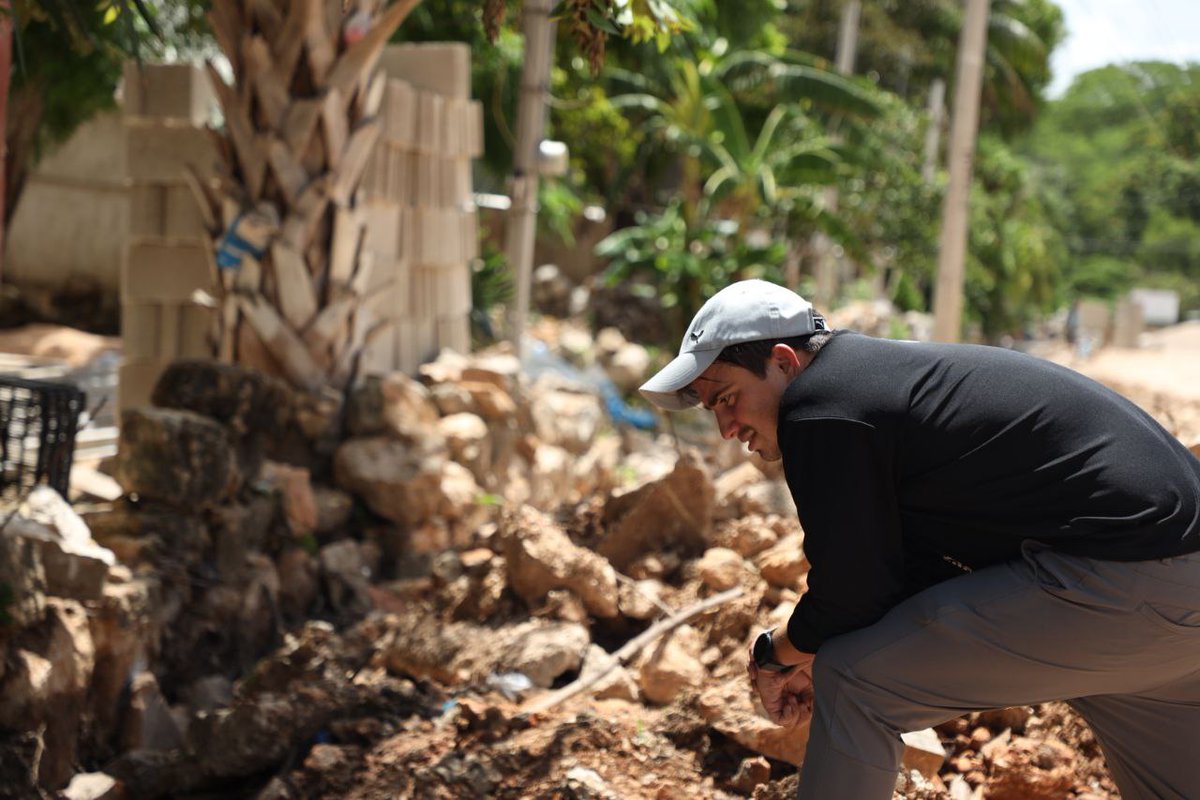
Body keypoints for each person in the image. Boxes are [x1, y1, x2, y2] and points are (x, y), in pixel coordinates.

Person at [639, 279, 1200, 800]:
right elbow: (907, 581)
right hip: (1169, 602)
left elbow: (853, 590)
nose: (726, 428)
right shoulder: (888, 387)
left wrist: (776, 654)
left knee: (857, 684)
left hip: (1121, 584)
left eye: (725, 398)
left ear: (784, 363)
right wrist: (821, 642)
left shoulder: (820, 406)